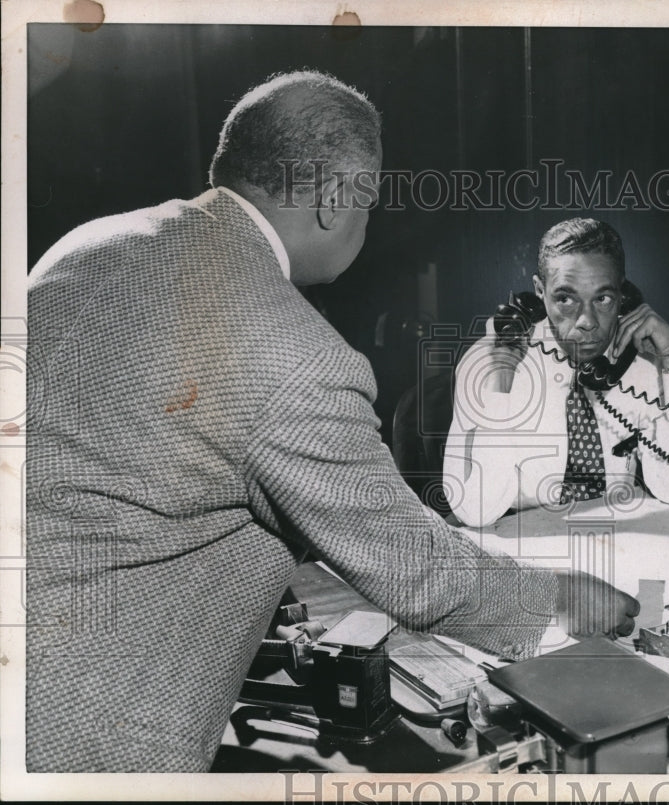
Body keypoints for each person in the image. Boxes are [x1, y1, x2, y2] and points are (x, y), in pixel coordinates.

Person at [25, 72, 637, 772]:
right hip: (83, 739)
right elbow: (420, 572)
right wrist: (565, 596)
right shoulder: (292, 350)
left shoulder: (90, 245)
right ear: (337, 199)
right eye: (369, 203)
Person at [444, 218, 669, 528]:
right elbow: (475, 510)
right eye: (565, 298)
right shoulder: (488, 360)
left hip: (621, 541)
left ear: (622, 294)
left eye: (603, 299)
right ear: (539, 291)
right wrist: (502, 380)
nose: (587, 320)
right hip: (521, 543)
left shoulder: (645, 363)